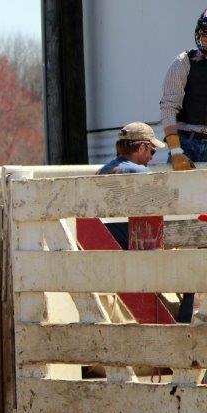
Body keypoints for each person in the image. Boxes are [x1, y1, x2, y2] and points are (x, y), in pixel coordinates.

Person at [96, 122, 165, 250]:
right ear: (142, 148)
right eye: (152, 151)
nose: (151, 158)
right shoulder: (141, 173)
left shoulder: (101, 171)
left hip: (102, 241)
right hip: (131, 244)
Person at [160, 8, 207, 172]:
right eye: (203, 33)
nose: (204, 38)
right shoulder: (183, 61)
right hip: (186, 143)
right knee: (176, 196)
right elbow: (168, 107)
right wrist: (175, 151)